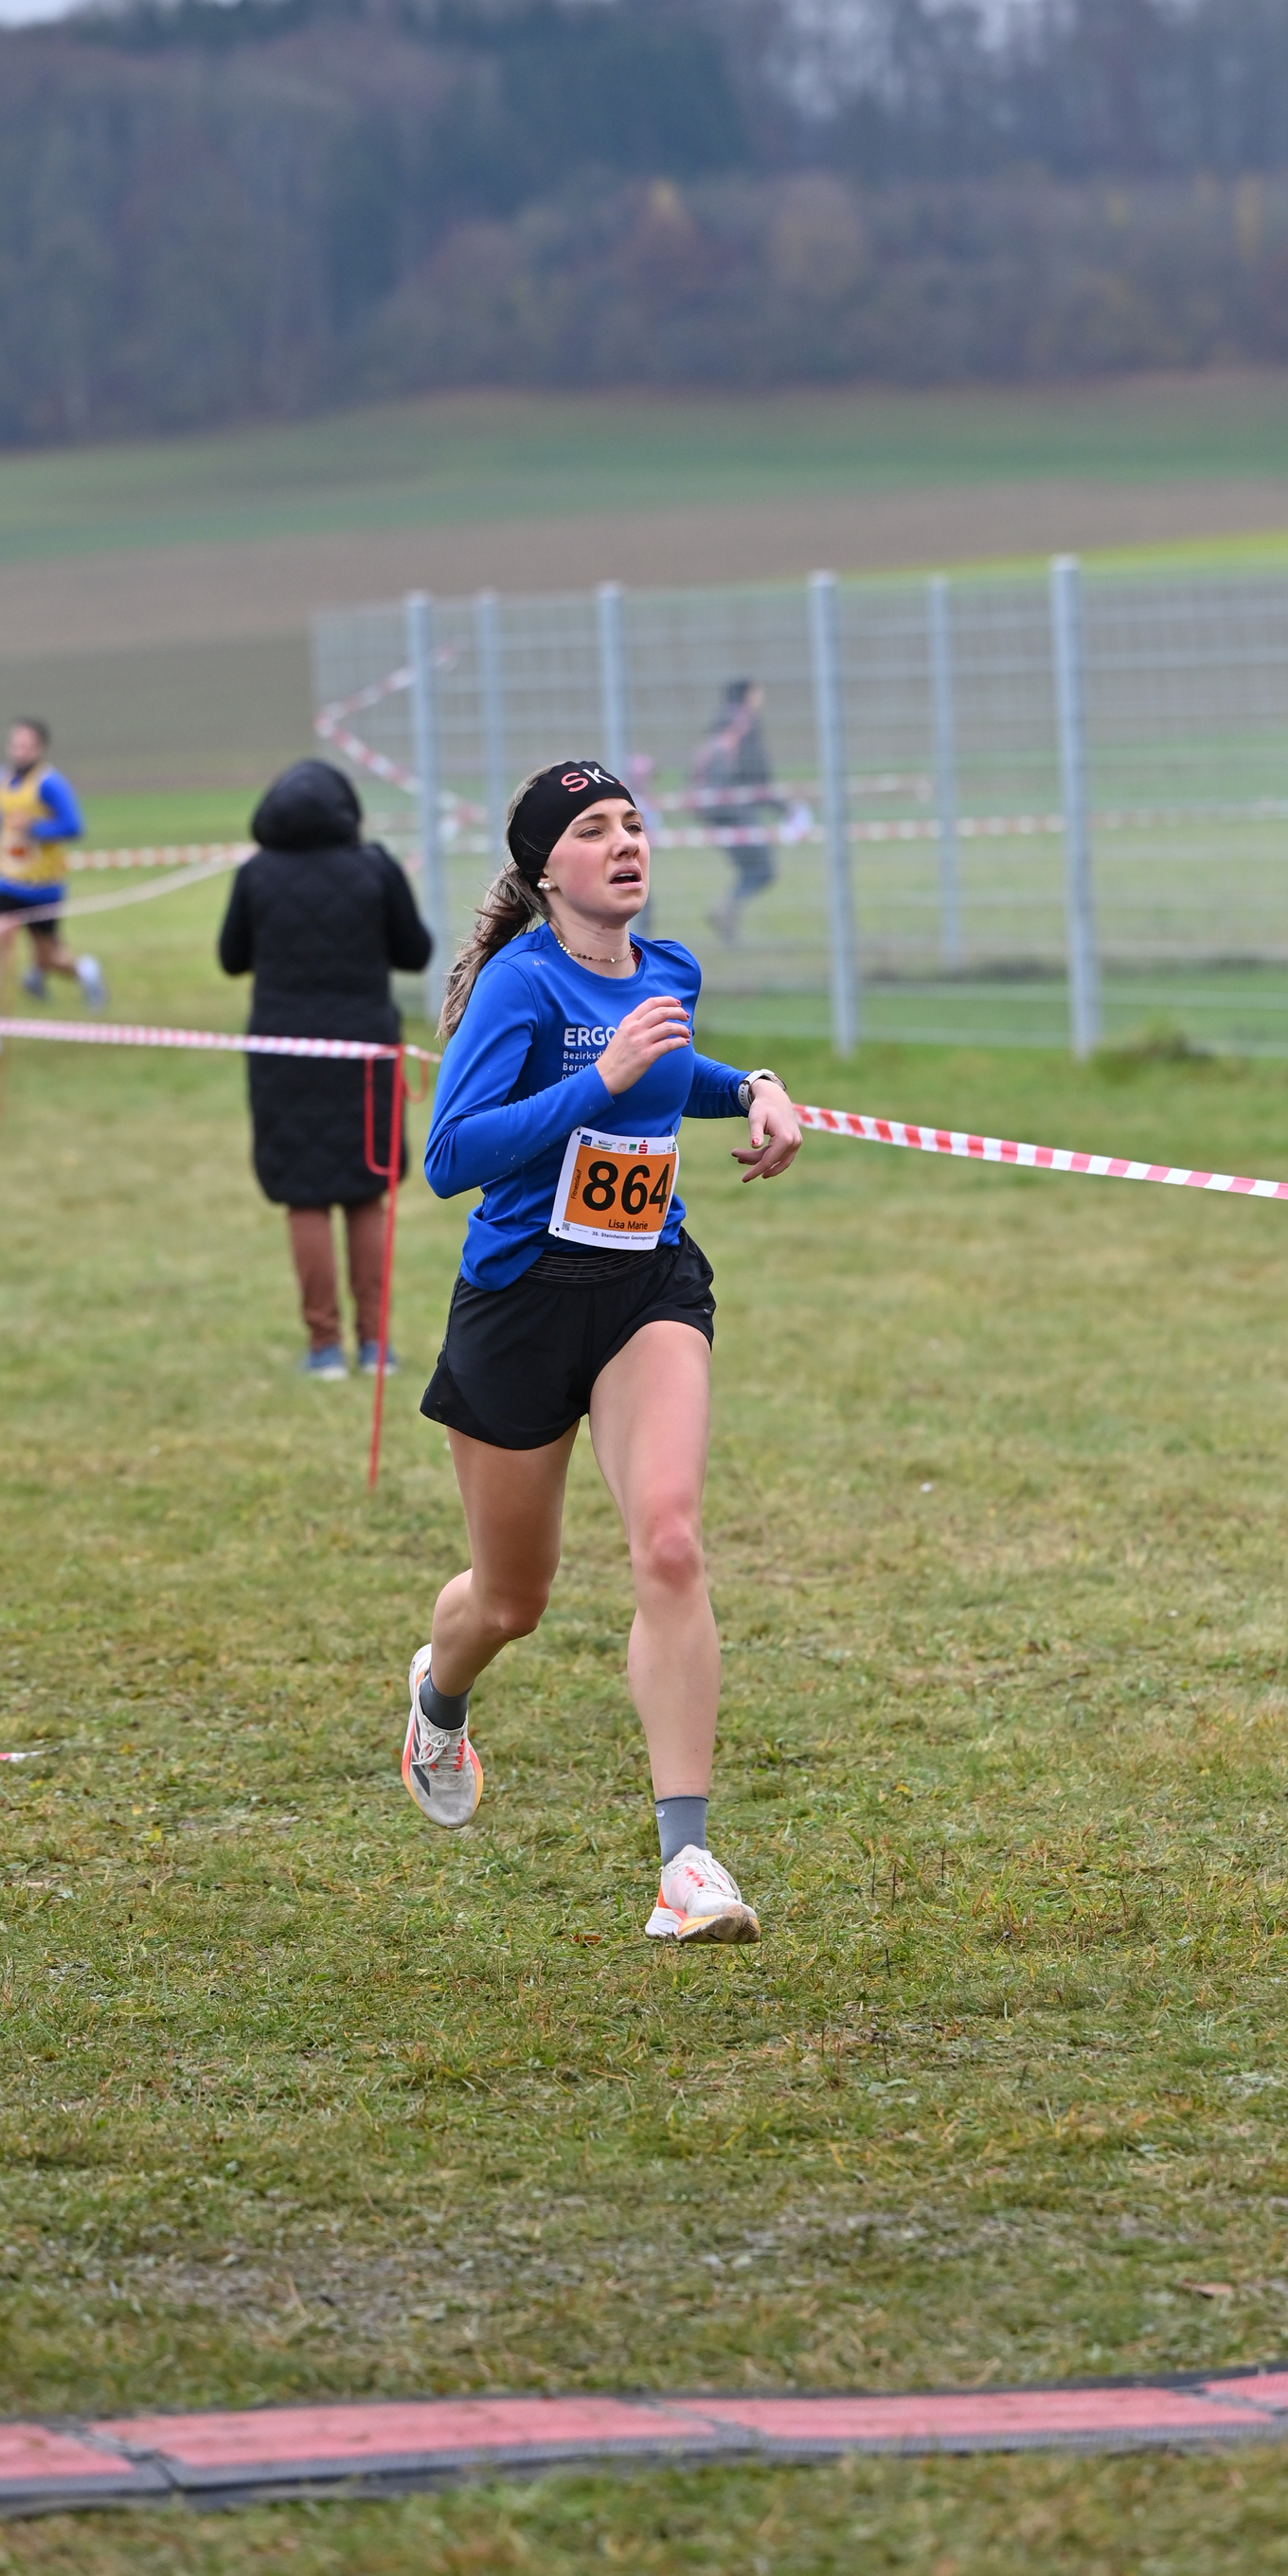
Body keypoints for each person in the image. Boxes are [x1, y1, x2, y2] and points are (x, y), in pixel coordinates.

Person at [402, 758, 802, 1943]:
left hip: (644, 1289)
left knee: (669, 1544)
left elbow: (673, 1075)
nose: (625, 842)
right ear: (544, 870)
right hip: (520, 1303)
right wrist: (599, 1079)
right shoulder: (519, 988)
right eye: (592, 829)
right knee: (510, 1601)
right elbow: (450, 1156)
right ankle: (438, 1695)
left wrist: (756, 1088)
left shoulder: (667, 968)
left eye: (632, 823)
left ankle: (685, 1867)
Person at [218, 759, 433, 1379]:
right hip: (364, 1049)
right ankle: (376, 1345)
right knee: (367, 1190)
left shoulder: (256, 873)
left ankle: (323, 1348)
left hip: (284, 1053)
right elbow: (415, 951)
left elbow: (231, 957)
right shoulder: (375, 867)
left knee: (303, 1196)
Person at [0, 717, 106, 1061]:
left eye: (27, 746)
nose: (20, 751)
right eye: (15, 745)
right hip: (7, 881)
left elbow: (74, 826)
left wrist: (36, 828)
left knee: (48, 959)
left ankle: (84, 971)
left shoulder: (51, 784)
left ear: (40, 749)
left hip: (43, 887)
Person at [689, 679, 780, 945]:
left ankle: (728, 920)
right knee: (763, 869)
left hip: (710, 806)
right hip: (734, 804)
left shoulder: (720, 723)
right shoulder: (746, 723)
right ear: (749, 694)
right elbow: (756, 772)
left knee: (751, 867)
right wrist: (784, 808)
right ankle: (726, 908)